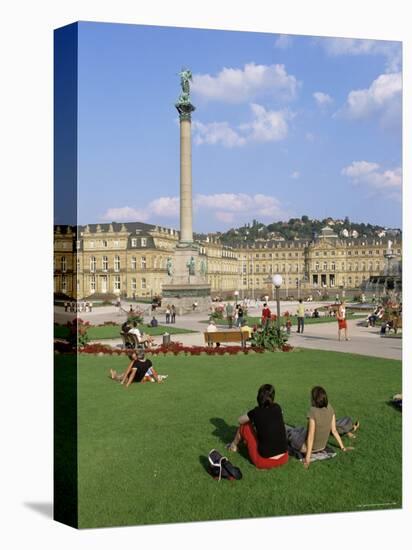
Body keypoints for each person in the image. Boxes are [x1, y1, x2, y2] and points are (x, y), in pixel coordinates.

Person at [286, 386, 357, 469]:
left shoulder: (313, 411)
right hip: (322, 446)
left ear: (314, 399)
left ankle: (290, 432)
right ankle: (296, 431)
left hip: (306, 447)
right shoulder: (330, 408)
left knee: (291, 434)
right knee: (301, 429)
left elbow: (311, 437)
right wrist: (343, 447)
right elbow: (334, 430)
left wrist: (307, 458)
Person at [227, 384, 288, 470]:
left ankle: (233, 446)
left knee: (244, 426)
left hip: (264, 461)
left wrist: (248, 414)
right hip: (284, 457)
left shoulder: (256, 412)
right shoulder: (277, 407)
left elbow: (240, 420)